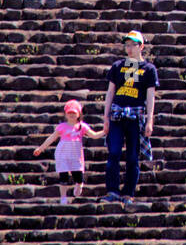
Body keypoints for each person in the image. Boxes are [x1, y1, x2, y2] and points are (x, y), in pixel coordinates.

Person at [104, 31, 158, 207]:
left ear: (141, 46)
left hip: (136, 116)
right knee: (113, 153)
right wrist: (105, 118)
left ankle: (128, 192)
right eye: (127, 45)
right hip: (117, 115)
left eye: (133, 45)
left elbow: (150, 96)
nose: (129, 49)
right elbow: (110, 92)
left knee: (133, 156)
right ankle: (112, 191)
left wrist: (150, 120)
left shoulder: (148, 69)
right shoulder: (118, 66)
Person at [33, 99, 105, 205]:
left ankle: (78, 186)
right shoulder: (62, 127)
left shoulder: (82, 126)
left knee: (79, 177)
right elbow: (52, 138)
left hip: (76, 155)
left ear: (79, 114)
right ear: (66, 114)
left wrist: (105, 131)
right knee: (63, 177)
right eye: (69, 113)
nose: (71, 115)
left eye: (74, 113)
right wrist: (41, 148)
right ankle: (63, 197)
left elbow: (94, 135)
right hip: (63, 154)